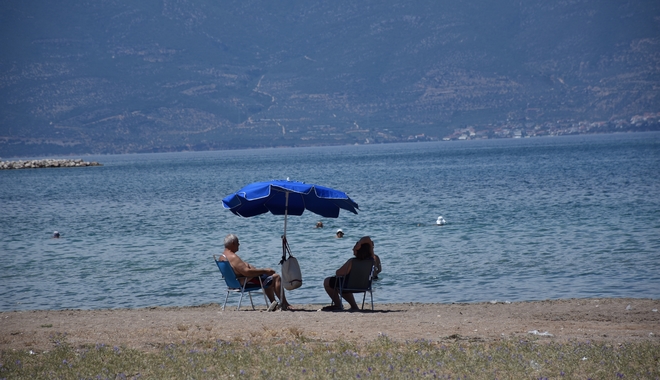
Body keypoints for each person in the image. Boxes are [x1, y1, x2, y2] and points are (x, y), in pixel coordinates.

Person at [219, 234, 293, 311]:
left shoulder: (222, 257)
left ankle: (273, 303)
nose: (239, 244)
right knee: (276, 277)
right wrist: (265, 271)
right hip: (244, 282)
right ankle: (285, 303)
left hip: (233, 283)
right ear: (233, 243)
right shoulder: (233, 257)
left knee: (268, 278)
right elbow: (246, 272)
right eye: (238, 242)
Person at [322, 236, 376, 311]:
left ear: (358, 249)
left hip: (348, 286)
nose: (353, 249)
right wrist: (360, 243)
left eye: (354, 247)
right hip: (365, 286)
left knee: (328, 282)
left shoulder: (352, 262)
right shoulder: (372, 260)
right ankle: (354, 306)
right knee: (342, 283)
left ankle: (338, 305)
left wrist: (359, 243)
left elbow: (338, 273)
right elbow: (368, 239)